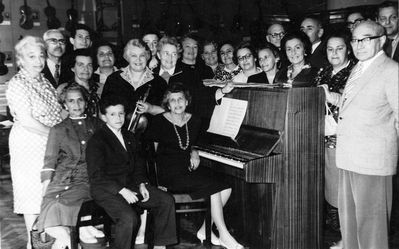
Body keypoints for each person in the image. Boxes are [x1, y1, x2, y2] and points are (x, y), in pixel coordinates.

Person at [146, 83, 244, 249]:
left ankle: (202, 229)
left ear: (186, 101)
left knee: (226, 187)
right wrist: (154, 182)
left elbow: (194, 143)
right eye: (172, 100)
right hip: (168, 174)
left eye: (180, 99)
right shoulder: (158, 121)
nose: (177, 103)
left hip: (187, 170)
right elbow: (150, 154)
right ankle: (224, 234)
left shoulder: (195, 120)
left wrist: (194, 151)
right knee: (212, 187)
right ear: (167, 104)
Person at [330, 20, 398, 249]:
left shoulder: (391, 70)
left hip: (372, 162)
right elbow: (355, 106)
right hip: (348, 158)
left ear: (381, 40)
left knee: (371, 232)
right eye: (355, 40)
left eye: (365, 39)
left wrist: (386, 152)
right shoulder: (359, 68)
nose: (358, 45)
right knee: (349, 226)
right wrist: (331, 97)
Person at [86, 96, 177, 249]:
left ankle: (160, 246)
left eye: (121, 113)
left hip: (131, 185)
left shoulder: (129, 136)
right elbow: (97, 176)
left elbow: (139, 164)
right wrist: (121, 190)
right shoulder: (97, 140)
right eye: (113, 114)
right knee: (129, 218)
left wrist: (142, 183)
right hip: (106, 190)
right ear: (103, 117)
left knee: (165, 200)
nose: (118, 118)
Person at [6, 36, 62, 249]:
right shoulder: (17, 83)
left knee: (48, 190)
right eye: (32, 56)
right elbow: (28, 120)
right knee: (32, 193)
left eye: (41, 55)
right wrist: (55, 135)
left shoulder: (43, 81)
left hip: (48, 141)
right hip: (29, 142)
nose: (38, 61)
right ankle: (33, 242)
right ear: (21, 59)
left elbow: (56, 112)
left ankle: (49, 236)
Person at [37, 83, 104, 249]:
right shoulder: (58, 129)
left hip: (87, 178)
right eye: (71, 101)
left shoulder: (97, 125)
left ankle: (73, 236)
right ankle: (72, 236)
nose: (76, 105)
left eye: (80, 100)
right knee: (49, 203)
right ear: (65, 105)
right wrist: (46, 186)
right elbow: (50, 159)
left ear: (86, 103)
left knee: (61, 204)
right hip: (61, 179)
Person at [312, 31, 356, 249]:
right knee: (328, 189)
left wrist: (332, 97)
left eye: (339, 48)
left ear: (348, 48)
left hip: (344, 139)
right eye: (330, 49)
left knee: (343, 191)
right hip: (320, 136)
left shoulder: (355, 71)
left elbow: (351, 102)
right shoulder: (322, 71)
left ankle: (347, 239)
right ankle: (337, 236)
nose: (335, 53)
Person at [153, 36, 233, 131]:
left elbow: (209, 93)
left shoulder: (206, 69)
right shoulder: (174, 69)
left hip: (203, 119)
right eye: (187, 46)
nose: (191, 49)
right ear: (181, 49)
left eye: (195, 47)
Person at [101, 39, 167, 124]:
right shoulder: (113, 79)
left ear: (147, 57)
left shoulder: (159, 82)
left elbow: (167, 112)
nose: (138, 59)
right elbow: (103, 110)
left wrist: (150, 108)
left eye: (142, 55)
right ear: (127, 57)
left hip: (151, 133)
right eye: (134, 56)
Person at [58, 49, 99, 118]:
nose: (86, 69)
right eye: (81, 65)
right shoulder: (63, 89)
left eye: (89, 65)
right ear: (73, 68)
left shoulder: (100, 88)